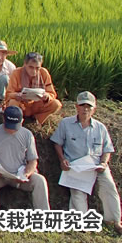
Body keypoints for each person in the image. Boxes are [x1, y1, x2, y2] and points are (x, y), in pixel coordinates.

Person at [51, 91, 122, 234]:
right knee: (78, 193)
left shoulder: (100, 127)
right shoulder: (66, 123)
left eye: (89, 106)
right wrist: (62, 159)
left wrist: (103, 163)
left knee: (109, 188)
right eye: (82, 106)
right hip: (76, 166)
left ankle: (114, 221)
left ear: (94, 109)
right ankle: (82, 223)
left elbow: (107, 149)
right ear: (76, 107)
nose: (85, 109)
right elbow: (57, 143)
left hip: (96, 165)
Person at [0, 106, 50, 211]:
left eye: (14, 126)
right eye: (8, 125)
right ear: (3, 119)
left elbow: (33, 161)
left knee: (40, 180)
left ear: (22, 121)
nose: (11, 130)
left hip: (20, 175)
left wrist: (26, 174)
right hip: (0, 176)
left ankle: (44, 216)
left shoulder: (27, 135)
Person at [4, 52, 62, 125]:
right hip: (22, 105)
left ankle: (36, 121)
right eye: (31, 67)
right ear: (25, 64)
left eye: (37, 68)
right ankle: (17, 121)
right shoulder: (17, 73)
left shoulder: (43, 73)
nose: (34, 71)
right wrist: (17, 95)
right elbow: (8, 94)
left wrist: (47, 97)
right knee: (13, 102)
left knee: (56, 104)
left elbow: (52, 94)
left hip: (37, 105)